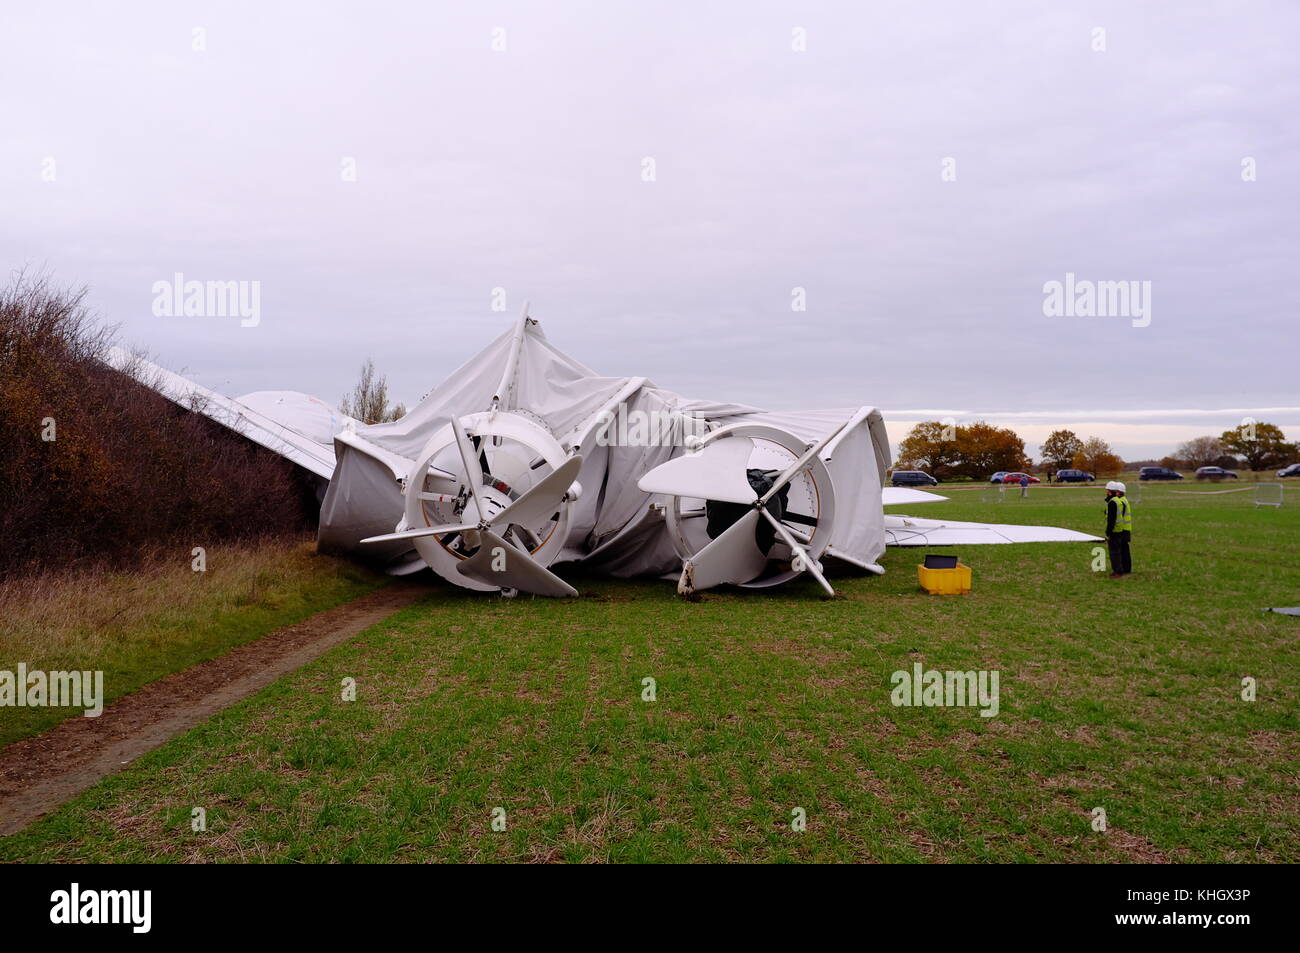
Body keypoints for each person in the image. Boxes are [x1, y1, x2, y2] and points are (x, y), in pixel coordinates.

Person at [1104, 480, 1132, 577]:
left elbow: (1113, 518)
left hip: (1119, 530)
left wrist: (1108, 531)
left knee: (1117, 551)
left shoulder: (1116, 502)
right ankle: (1125, 569)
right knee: (1124, 550)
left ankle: (1118, 570)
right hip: (1123, 529)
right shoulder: (1121, 501)